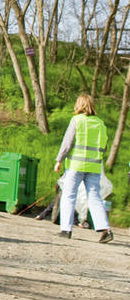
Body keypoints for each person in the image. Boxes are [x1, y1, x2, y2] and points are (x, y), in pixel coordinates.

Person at [54, 93, 112, 242]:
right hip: (94, 167)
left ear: (79, 105)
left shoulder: (76, 120)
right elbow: (104, 147)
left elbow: (67, 143)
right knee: (94, 197)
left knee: (69, 195)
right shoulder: (100, 123)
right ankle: (105, 228)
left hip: (76, 165)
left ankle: (66, 229)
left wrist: (59, 160)